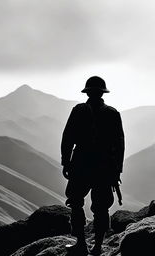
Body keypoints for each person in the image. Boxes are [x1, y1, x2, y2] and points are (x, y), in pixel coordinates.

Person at [61, 76, 125, 255]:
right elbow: (119, 145)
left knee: (75, 202)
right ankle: (97, 247)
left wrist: (66, 162)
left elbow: (68, 138)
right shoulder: (112, 114)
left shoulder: (79, 111)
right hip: (104, 166)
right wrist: (116, 170)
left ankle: (81, 244)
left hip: (81, 163)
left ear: (87, 92)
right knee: (101, 206)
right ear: (102, 93)